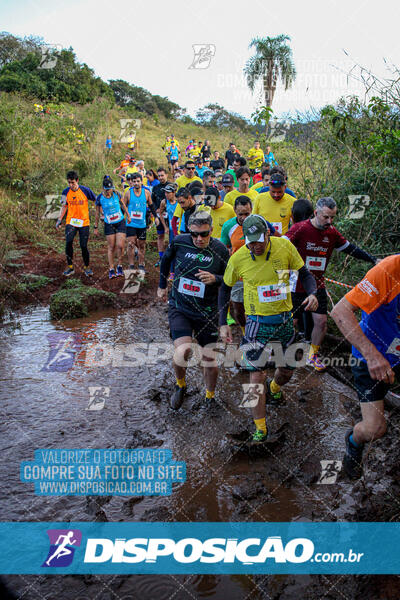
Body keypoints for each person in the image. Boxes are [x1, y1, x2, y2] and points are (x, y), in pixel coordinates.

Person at [219, 215, 318, 443]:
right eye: (250, 241)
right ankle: (260, 428)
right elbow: (224, 288)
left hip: (284, 320)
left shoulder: (284, 246)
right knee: (256, 374)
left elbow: (304, 274)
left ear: (268, 233)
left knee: (287, 371)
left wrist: (312, 294)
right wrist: (222, 322)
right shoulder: (239, 257)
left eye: (259, 240)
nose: (255, 246)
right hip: (256, 323)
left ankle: (274, 388)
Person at [286, 197, 377, 371]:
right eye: (326, 217)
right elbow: (280, 246)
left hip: (317, 284)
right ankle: (282, 352)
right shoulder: (300, 229)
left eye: (332, 217)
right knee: (292, 322)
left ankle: (313, 355)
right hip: (296, 283)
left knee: (321, 322)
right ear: (316, 213)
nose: (329, 221)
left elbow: (351, 249)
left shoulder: (332, 233)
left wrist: (373, 260)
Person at [331, 255, 400, 478]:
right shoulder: (390, 269)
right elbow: (340, 312)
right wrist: (373, 356)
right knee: (374, 429)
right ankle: (353, 442)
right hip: (371, 354)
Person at [157, 210, 230, 409]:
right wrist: (162, 285)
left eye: (204, 234)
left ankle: (210, 396)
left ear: (212, 230)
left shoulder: (221, 250)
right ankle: (181, 386)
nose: (199, 238)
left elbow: (230, 281)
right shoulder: (180, 241)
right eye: (194, 234)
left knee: (209, 359)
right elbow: (165, 260)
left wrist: (216, 279)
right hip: (180, 306)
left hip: (208, 311)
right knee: (183, 349)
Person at [56, 170, 96, 277]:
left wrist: (99, 214)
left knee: (83, 245)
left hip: (84, 222)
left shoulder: (86, 190)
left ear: (77, 180)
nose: (71, 185)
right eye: (69, 182)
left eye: (72, 182)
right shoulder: (65, 192)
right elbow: (64, 206)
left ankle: (87, 267)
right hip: (71, 221)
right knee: (68, 242)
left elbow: (96, 201)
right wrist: (59, 219)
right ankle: (70, 267)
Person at [94, 175, 130, 278]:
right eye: (107, 189)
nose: (109, 191)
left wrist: (128, 215)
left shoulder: (117, 193)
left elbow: (123, 204)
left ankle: (119, 266)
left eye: (110, 189)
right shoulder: (100, 198)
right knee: (111, 247)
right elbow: (97, 213)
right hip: (109, 224)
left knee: (120, 245)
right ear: (103, 188)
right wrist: (95, 227)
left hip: (120, 222)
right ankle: (111, 269)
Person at [123, 172, 159, 272]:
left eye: (138, 181)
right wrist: (122, 218)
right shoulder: (128, 193)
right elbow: (123, 206)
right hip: (131, 223)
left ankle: (141, 265)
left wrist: (155, 217)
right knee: (131, 244)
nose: (136, 183)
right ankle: (131, 266)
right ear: (132, 182)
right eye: (134, 181)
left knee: (141, 245)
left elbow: (151, 206)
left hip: (142, 224)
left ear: (141, 181)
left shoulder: (146, 193)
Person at [158, 183, 178, 280]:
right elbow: (160, 214)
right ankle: (172, 272)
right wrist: (165, 226)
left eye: (168, 192)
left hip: (180, 229)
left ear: (174, 193)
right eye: (165, 192)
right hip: (171, 230)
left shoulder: (179, 201)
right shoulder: (164, 202)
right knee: (172, 250)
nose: (166, 194)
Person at [151, 168, 170, 266]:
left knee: (172, 236)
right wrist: (155, 211)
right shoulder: (155, 187)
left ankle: (171, 258)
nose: (161, 177)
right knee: (160, 235)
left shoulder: (171, 186)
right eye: (159, 176)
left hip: (170, 215)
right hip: (159, 215)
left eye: (162, 175)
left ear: (166, 175)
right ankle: (161, 257)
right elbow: (152, 202)